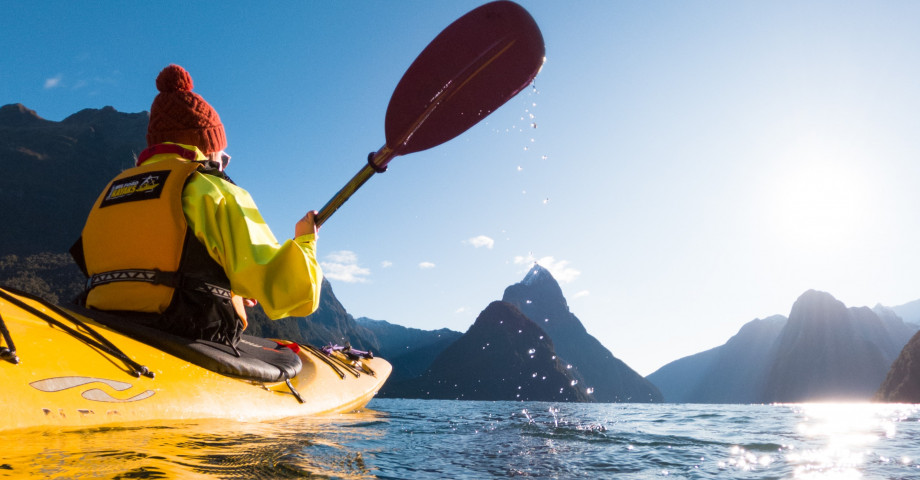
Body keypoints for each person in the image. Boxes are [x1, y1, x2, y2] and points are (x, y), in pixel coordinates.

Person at [71, 64, 323, 346]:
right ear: (207, 149)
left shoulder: (111, 190)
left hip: (101, 328)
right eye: (223, 158)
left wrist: (229, 287)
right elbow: (290, 293)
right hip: (186, 335)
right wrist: (305, 242)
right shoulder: (212, 189)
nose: (224, 166)